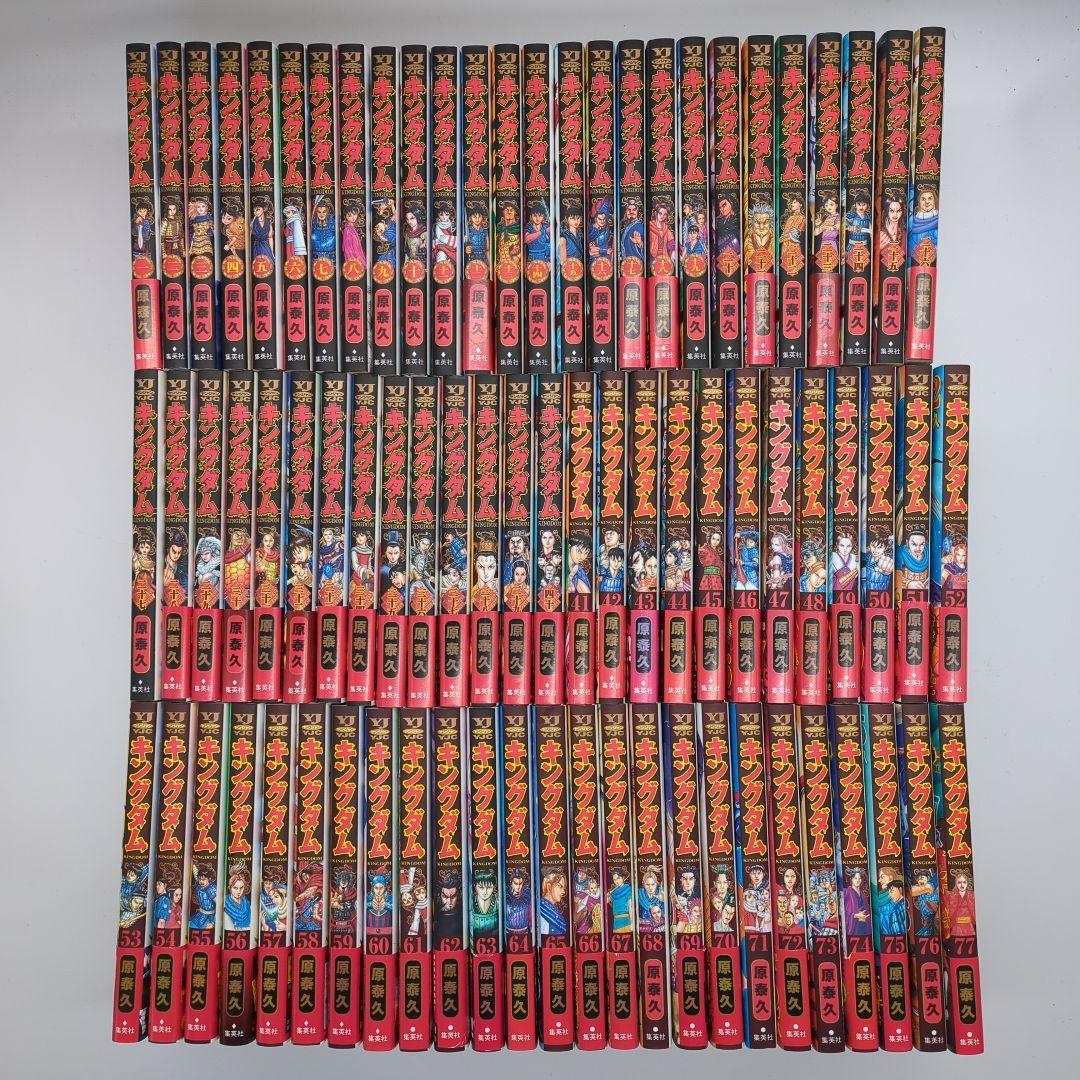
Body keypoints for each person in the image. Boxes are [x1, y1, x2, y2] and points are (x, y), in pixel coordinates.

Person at [874, 868, 908, 937]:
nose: (879, 880)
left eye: (882, 877)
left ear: (891, 878)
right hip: (884, 937)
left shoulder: (897, 898)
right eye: (879, 878)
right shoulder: (879, 897)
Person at [941, 871, 976, 938]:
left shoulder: (972, 895)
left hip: (969, 925)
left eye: (964, 882)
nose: (962, 885)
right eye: (959, 882)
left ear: (967, 883)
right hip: (957, 926)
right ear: (956, 883)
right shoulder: (952, 895)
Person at [843, 869, 872, 940]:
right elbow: (842, 911)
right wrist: (855, 915)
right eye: (855, 878)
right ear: (851, 879)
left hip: (864, 925)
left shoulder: (863, 895)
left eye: (859, 878)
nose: (857, 880)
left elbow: (868, 910)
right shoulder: (846, 892)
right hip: (853, 927)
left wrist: (866, 917)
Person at [539, 871, 569, 937]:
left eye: (564, 888)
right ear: (549, 887)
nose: (564, 892)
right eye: (560, 886)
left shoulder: (554, 910)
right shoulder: (541, 910)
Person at [830, 528, 859, 593]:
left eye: (848, 546)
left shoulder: (855, 558)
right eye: (842, 545)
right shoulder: (832, 557)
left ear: (852, 546)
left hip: (851, 594)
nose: (845, 549)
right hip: (835, 593)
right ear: (837, 545)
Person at [189, 865, 217, 930]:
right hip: (201, 914)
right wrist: (192, 864)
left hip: (210, 917)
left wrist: (213, 922)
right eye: (200, 879)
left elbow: (219, 906)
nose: (201, 881)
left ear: (209, 879)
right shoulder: (199, 884)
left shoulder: (211, 889)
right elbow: (195, 873)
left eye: (204, 880)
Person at [341, 203, 366, 271]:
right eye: (349, 216)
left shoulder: (353, 227)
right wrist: (353, 260)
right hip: (353, 260)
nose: (353, 218)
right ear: (345, 217)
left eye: (354, 214)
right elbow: (347, 249)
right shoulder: (347, 230)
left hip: (358, 257)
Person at [607, 867, 633, 933]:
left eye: (618, 878)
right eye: (614, 879)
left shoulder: (627, 890)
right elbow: (606, 901)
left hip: (626, 921)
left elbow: (630, 907)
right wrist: (607, 895)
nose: (616, 881)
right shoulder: (614, 893)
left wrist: (632, 923)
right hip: (616, 921)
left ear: (623, 878)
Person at [620, 198, 645, 262]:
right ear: (626, 211)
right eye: (629, 210)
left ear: (638, 211)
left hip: (636, 263)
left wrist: (640, 243)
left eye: (634, 210)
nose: (631, 212)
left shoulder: (640, 226)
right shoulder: (626, 226)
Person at [250, 199, 274, 264]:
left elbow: (270, 237)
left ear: (264, 209)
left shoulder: (268, 222)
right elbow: (248, 238)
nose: (256, 212)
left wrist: (272, 252)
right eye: (254, 210)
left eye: (258, 209)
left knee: (269, 264)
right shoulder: (253, 223)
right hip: (257, 247)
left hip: (266, 247)